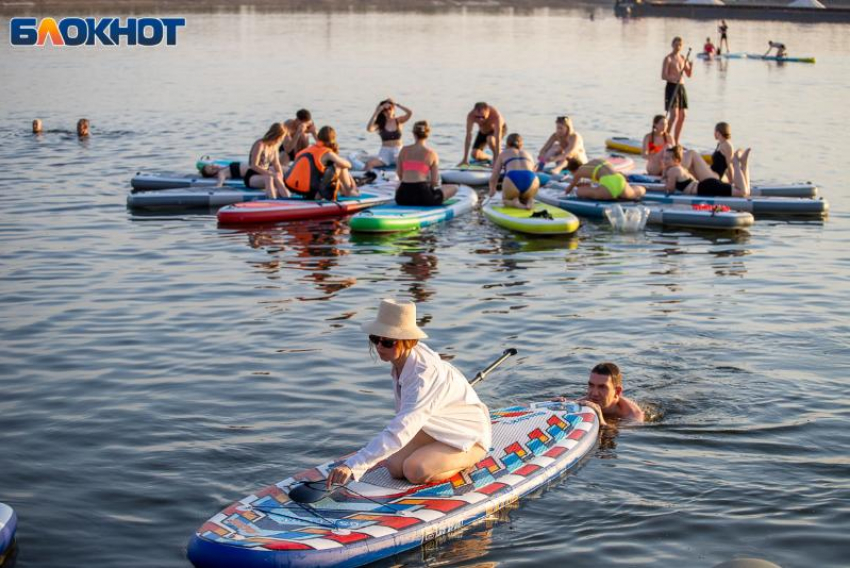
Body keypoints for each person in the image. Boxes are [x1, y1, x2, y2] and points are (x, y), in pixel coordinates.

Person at [325, 299, 491, 486]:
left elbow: (402, 427)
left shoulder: (423, 376)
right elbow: (404, 424)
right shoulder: (403, 360)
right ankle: (435, 454)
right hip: (435, 427)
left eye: (387, 342)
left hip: (467, 434)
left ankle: (470, 457)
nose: (379, 346)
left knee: (414, 470)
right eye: (375, 338)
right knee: (394, 466)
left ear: (409, 341)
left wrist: (353, 466)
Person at [552, 362, 644, 426]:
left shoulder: (633, 415)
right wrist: (560, 406)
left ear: (617, 391)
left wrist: (600, 419)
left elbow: (625, 435)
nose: (594, 393)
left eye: (602, 387)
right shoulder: (587, 400)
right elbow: (569, 407)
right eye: (591, 385)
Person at [284, 125, 359, 200]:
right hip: (310, 188)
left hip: (294, 187)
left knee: (331, 167)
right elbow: (348, 165)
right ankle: (348, 191)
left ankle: (345, 190)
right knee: (339, 165)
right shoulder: (328, 153)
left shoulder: (307, 150)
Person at [396, 120, 458, 206]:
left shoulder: (403, 150)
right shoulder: (432, 154)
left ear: (414, 134)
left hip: (402, 197)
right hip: (423, 197)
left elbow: (399, 174)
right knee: (454, 188)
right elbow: (434, 181)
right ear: (427, 134)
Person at [662, 144, 750, 197]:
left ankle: (735, 162)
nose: (664, 161)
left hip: (707, 187)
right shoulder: (680, 169)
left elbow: (670, 189)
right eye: (664, 158)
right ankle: (744, 164)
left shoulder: (672, 170)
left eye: (667, 159)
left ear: (676, 160)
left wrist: (652, 187)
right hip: (707, 185)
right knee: (746, 192)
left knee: (742, 192)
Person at [489, 133, 539, 210]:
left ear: (507, 144)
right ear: (521, 145)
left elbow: (494, 176)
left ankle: (514, 203)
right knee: (527, 197)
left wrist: (492, 191)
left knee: (505, 200)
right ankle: (529, 201)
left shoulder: (503, 154)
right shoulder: (528, 154)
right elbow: (534, 170)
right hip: (532, 178)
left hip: (512, 177)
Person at [562, 158, 646, 201]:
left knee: (579, 191)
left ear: (573, 170)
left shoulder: (578, 172)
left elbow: (568, 190)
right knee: (634, 192)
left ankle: (611, 195)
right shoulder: (596, 161)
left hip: (608, 187)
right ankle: (643, 189)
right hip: (619, 179)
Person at [364, 98, 413, 170]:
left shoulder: (398, 121)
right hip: (385, 152)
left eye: (390, 108)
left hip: (398, 150)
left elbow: (410, 113)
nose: (388, 111)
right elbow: (369, 129)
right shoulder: (380, 123)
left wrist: (397, 104)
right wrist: (377, 111)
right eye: (385, 110)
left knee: (403, 163)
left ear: (393, 109)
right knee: (369, 164)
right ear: (382, 112)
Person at [245, 122, 290, 199]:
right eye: (282, 137)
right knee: (269, 178)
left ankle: (288, 200)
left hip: (265, 174)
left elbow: (276, 164)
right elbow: (253, 165)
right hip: (252, 176)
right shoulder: (260, 144)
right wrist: (271, 174)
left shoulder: (274, 147)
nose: (282, 140)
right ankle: (272, 202)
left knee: (277, 176)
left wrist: (280, 175)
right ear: (277, 136)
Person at [662, 37, 693, 146]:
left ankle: (676, 141)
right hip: (671, 87)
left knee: (683, 115)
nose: (678, 47)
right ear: (672, 45)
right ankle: (666, 139)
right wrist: (674, 79)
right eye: (676, 44)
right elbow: (663, 75)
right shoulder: (668, 59)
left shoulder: (683, 58)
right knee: (674, 115)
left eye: (680, 45)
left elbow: (689, 74)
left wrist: (691, 66)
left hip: (681, 88)